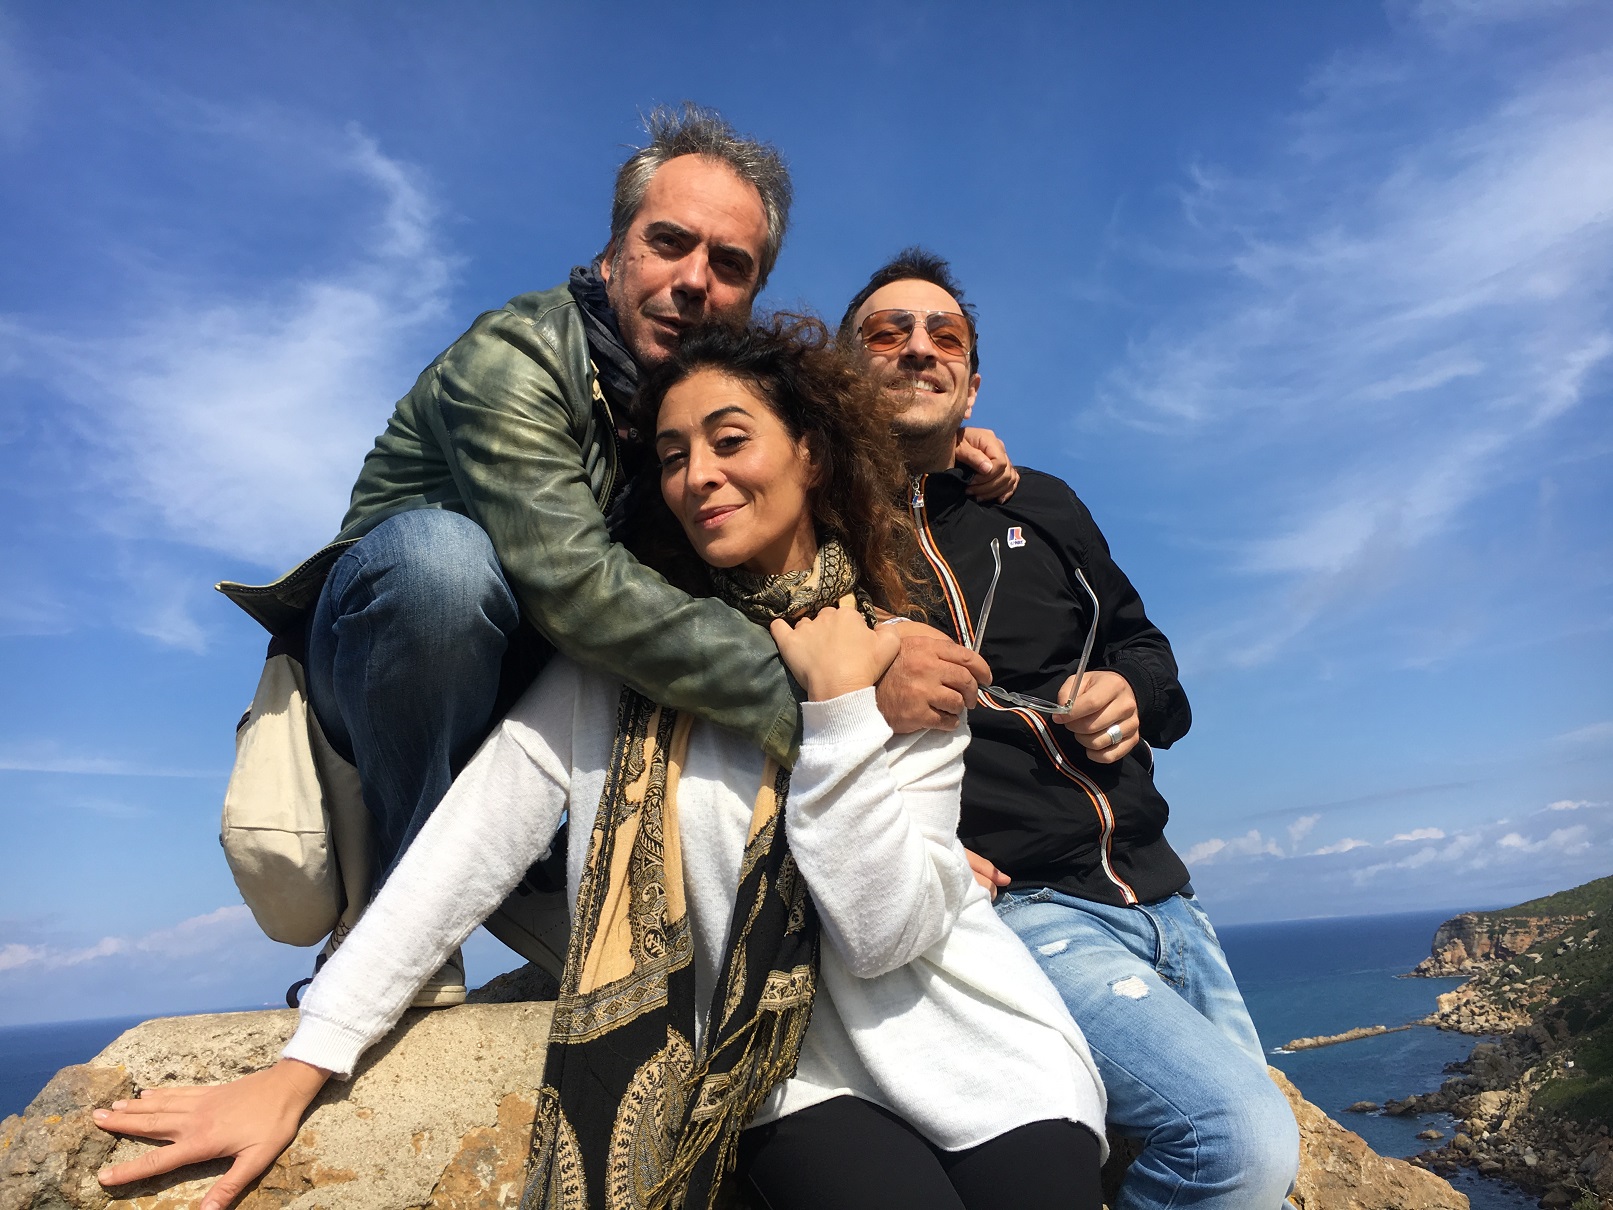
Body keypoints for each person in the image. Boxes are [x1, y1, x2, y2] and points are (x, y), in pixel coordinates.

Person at [96, 317, 1107, 1210]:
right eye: (671, 455)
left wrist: (841, 711)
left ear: (808, 452)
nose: (697, 475)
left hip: (975, 1047)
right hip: (783, 1073)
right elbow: (467, 843)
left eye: (729, 440)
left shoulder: (905, 659)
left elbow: (888, 935)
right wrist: (302, 1064)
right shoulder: (624, 673)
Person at [216, 107, 1009, 1003]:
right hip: (386, 676)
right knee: (442, 568)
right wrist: (838, 697)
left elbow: (792, 504)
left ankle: (544, 877)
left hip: (542, 695)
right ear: (612, 253)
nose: (694, 281)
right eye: (668, 243)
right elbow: (580, 590)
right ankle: (392, 916)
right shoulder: (515, 358)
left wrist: (939, 456)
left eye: (730, 265)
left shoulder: (682, 407)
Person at [839, 249, 1300, 1210]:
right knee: (1237, 1145)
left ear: (971, 383)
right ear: (841, 374)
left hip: (1165, 897)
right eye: (886, 332)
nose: (918, 348)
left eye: (944, 336)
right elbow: (788, 721)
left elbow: (1149, 653)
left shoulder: (1040, 503)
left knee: (1265, 1162)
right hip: (1025, 905)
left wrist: (1130, 689)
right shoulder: (817, 531)